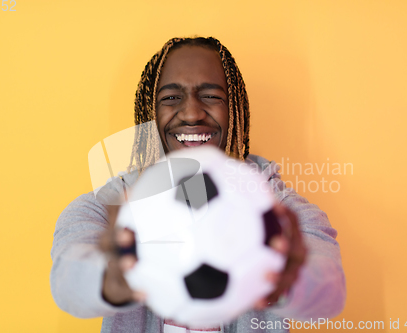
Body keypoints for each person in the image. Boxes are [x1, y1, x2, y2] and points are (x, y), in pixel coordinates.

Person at [50, 36, 346, 333]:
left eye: (210, 96)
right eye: (171, 98)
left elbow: (330, 287)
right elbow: (67, 278)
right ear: (149, 112)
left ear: (235, 111)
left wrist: (290, 280)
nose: (192, 113)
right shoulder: (110, 206)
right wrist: (111, 280)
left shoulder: (276, 210)